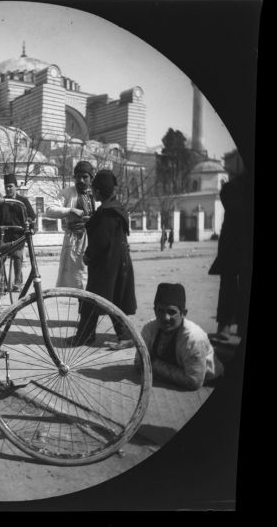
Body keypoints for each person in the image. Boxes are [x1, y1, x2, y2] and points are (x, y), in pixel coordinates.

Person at [73, 169, 136, 345]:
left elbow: (100, 242)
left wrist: (87, 256)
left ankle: (86, 335)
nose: (92, 192)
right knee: (113, 300)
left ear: (99, 191)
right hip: (116, 263)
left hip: (107, 266)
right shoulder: (115, 208)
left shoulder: (107, 213)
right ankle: (123, 335)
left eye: (94, 189)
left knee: (93, 300)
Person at [137, 283, 224, 390]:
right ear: (154, 310)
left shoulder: (193, 338)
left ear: (183, 313)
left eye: (172, 312)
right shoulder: (149, 328)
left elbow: (194, 382)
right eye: (160, 311)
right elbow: (138, 363)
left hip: (209, 381)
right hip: (175, 379)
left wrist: (155, 365)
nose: (166, 317)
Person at [208, 172, 252, 342]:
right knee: (228, 282)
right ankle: (225, 324)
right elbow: (229, 201)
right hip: (233, 240)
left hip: (245, 239)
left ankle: (242, 324)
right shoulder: (234, 187)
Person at [45, 160, 96, 290]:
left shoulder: (96, 194)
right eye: (78, 177)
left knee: (92, 278)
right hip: (74, 241)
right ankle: (82, 305)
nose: (81, 180)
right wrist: (69, 210)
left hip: (94, 240)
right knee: (77, 280)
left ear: (91, 178)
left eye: (85, 177)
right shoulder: (68, 193)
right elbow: (50, 210)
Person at [0, 173, 36, 292]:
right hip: (2, 235)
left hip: (18, 235)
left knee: (17, 255)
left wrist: (31, 225)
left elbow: (32, 216)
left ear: (16, 187)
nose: (8, 189)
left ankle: (17, 282)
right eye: (6, 186)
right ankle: (3, 281)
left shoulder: (23, 201)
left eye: (10, 186)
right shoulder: (1, 201)